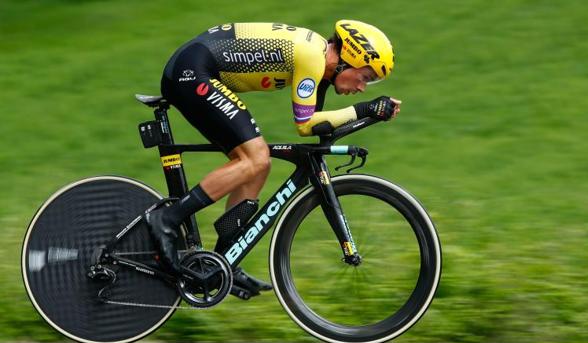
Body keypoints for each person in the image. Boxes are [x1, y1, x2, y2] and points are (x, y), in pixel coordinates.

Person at [146, 20, 402, 298]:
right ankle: (167, 219)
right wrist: (365, 109)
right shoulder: (311, 57)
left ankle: (223, 263)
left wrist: (370, 115)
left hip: (197, 69)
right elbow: (305, 124)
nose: (363, 87)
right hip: (194, 71)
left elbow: (318, 126)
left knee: (257, 166)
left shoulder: (320, 65)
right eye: (365, 77)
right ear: (350, 58)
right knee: (256, 156)